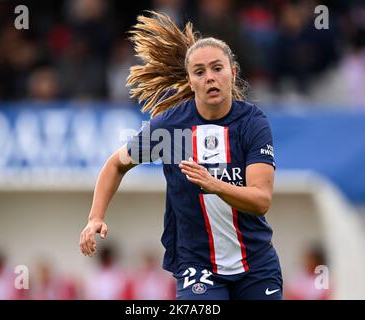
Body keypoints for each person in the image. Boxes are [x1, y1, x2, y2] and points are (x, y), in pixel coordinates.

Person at [79, 11, 282, 300]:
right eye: (200, 72)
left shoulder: (252, 124)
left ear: (232, 73)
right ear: (189, 81)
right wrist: (94, 217)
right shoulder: (170, 128)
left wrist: (214, 185)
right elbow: (115, 164)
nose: (210, 78)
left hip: (256, 264)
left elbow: (261, 201)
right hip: (197, 266)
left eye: (217, 68)